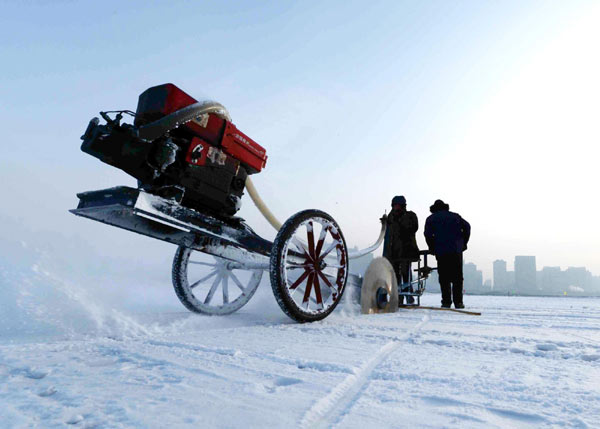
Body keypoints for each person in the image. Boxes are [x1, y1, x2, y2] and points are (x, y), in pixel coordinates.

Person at [424, 199, 471, 309]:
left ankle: (446, 302)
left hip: (441, 251)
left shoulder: (431, 218)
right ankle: (458, 302)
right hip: (456, 250)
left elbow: (427, 235)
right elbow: (467, 227)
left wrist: (432, 248)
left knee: (444, 277)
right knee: (457, 277)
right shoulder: (455, 216)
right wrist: (463, 243)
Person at [383, 196, 420, 304]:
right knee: (395, 276)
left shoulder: (410, 216)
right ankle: (398, 298)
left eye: (398, 205)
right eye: (395, 205)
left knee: (405, 274)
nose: (396, 208)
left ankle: (408, 296)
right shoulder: (390, 218)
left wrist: (399, 218)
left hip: (406, 252)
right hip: (393, 253)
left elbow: (413, 228)